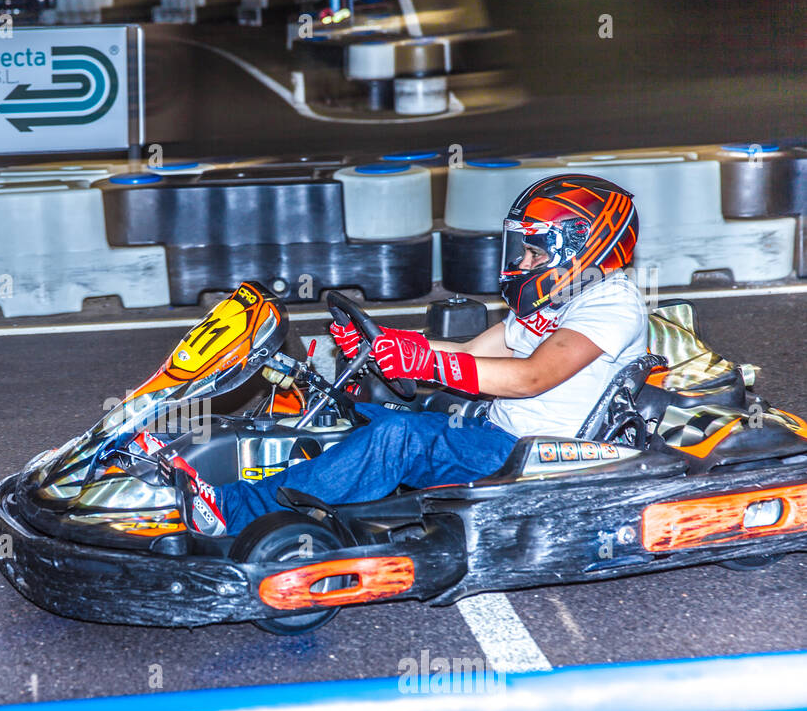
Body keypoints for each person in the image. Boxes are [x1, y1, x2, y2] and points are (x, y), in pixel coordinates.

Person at [148, 173, 647, 537]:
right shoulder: (554, 298)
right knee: (351, 412)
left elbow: (530, 377)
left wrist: (422, 363)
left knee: (397, 437)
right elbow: (473, 353)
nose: (523, 263)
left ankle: (234, 512)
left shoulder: (611, 303)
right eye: (524, 250)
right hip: (492, 432)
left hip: (532, 454)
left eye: (536, 252)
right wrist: (388, 345)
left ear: (584, 246)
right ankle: (188, 463)